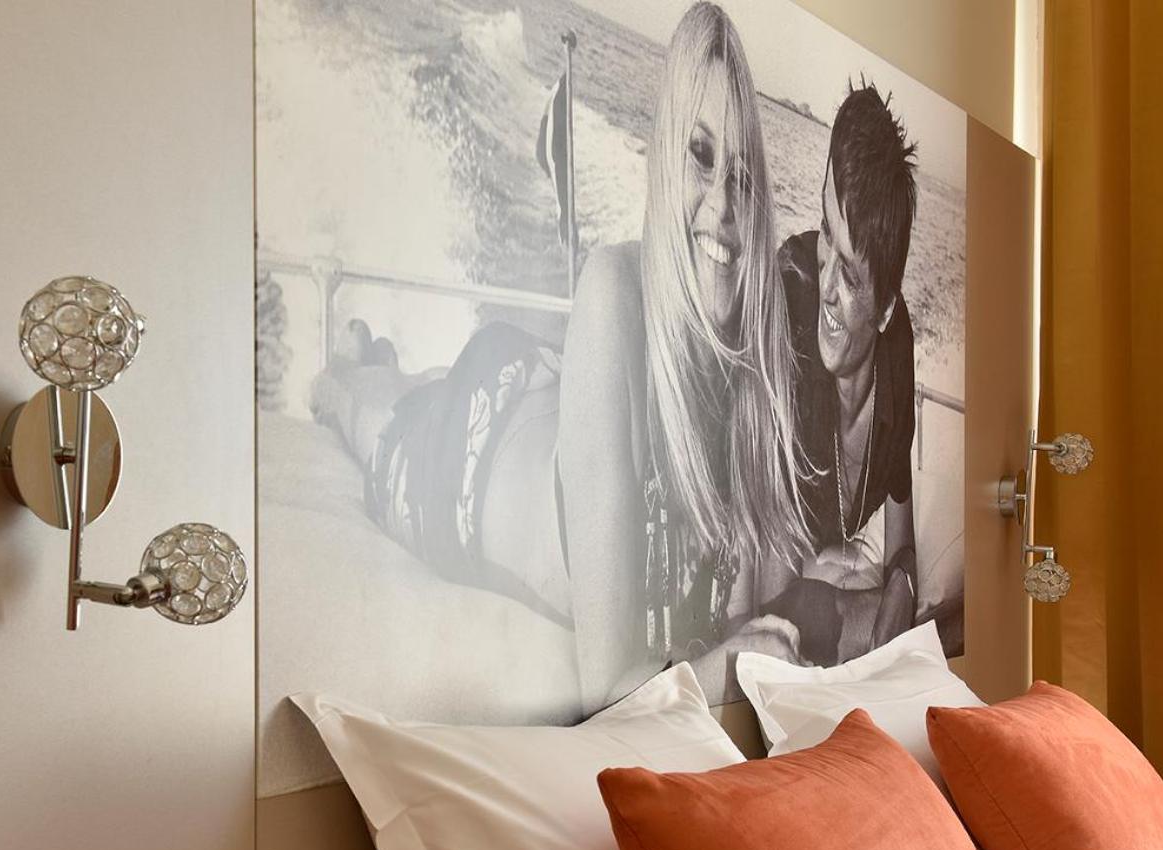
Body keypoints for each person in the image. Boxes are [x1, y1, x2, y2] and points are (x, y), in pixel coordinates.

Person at [311, 3, 811, 710]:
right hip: (463, 459)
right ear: (662, 159)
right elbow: (607, 686)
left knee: (421, 380)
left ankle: (385, 359)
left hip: (540, 387)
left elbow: (735, 606)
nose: (725, 204)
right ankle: (347, 366)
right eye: (701, 156)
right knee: (374, 414)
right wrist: (728, 666)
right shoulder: (611, 287)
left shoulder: (748, 370)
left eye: (744, 176)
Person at [772, 83, 920, 665]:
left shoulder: (897, 350)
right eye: (825, 233)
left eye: (852, 277)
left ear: (885, 310)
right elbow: (766, 601)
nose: (827, 286)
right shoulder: (789, 298)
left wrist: (902, 588)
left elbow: (902, 546)